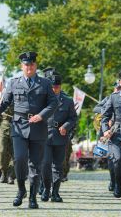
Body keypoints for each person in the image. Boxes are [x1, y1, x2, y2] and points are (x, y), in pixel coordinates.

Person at [0, 51, 58, 209]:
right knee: (20, 159)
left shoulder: (45, 83)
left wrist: (41, 116)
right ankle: (21, 190)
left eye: (32, 64)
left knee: (35, 164)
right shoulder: (14, 83)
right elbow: (5, 101)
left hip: (38, 127)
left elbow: (53, 103)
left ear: (36, 66)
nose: (29, 67)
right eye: (26, 65)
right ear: (22, 66)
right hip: (19, 126)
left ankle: (33, 197)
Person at [40, 68, 77, 203]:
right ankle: (45, 189)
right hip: (44, 134)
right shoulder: (43, 100)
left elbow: (73, 118)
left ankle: (55, 192)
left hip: (60, 137)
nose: (55, 89)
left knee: (58, 166)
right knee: (45, 164)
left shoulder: (67, 100)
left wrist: (66, 126)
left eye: (57, 86)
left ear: (60, 86)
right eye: (52, 86)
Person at [101, 70, 121, 200]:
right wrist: (105, 130)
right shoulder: (113, 97)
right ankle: (118, 185)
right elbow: (105, 116)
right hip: (116, 133)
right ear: (120, 82)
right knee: (118, 160)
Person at [0, 106, 15, 184]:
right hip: (3, 126)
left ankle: (11, 175)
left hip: (16, 126)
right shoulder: (2, 98)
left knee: (15, 153)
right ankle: (3, 172)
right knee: (1, 150)